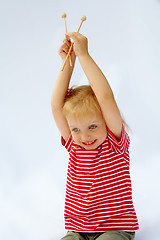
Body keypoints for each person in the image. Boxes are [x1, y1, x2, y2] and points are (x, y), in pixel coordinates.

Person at [51, 32, 139, 240]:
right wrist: (68, 64)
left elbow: (105, 97)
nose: (84, 136)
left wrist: (84, 56)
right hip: (78, 228)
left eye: (92, 126)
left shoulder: (114, 142)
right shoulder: (74, 145)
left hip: (115, 227)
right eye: (76, 129)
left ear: (106, 122)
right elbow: (56, 106)